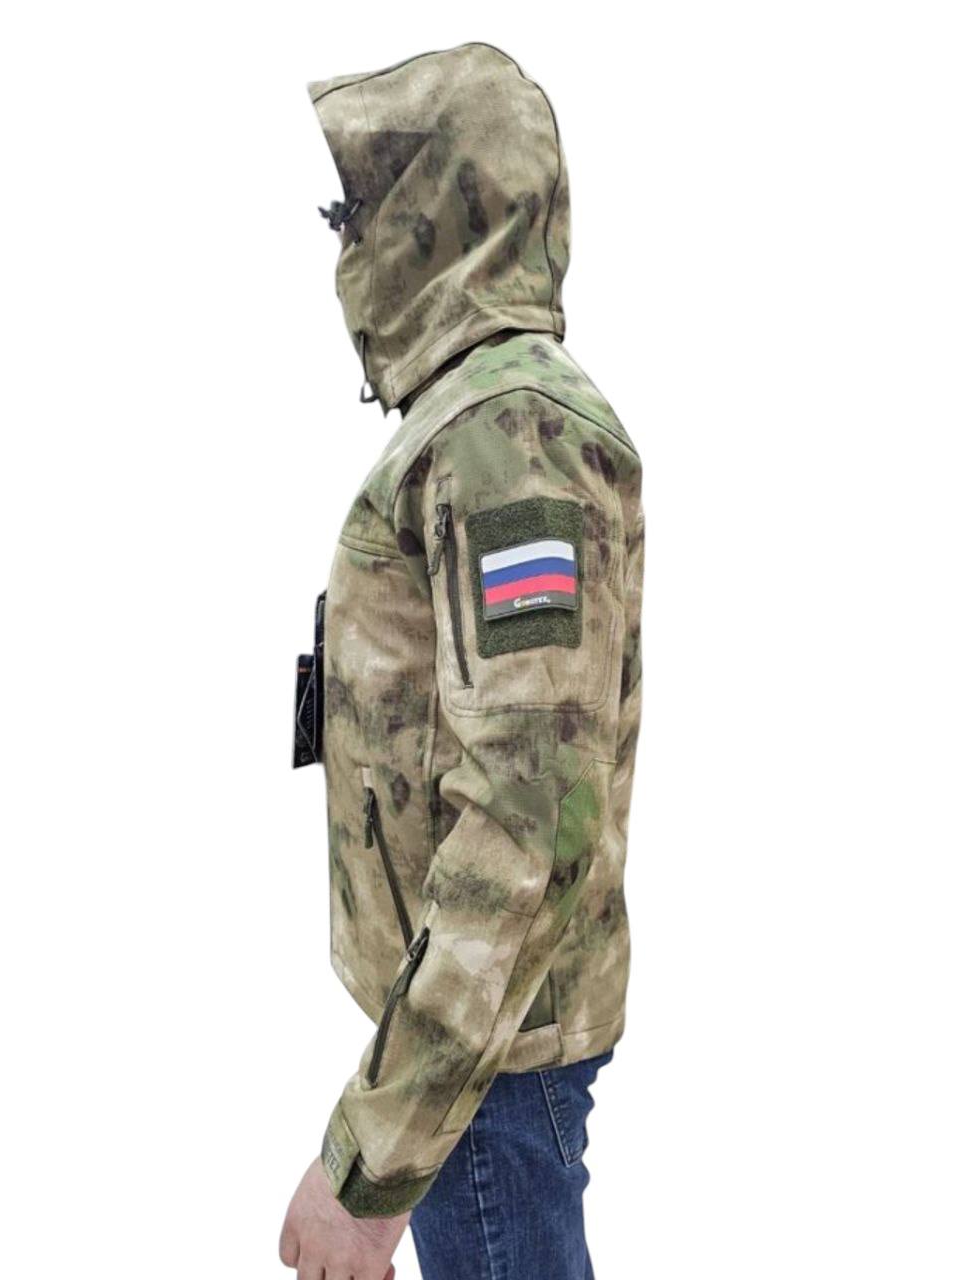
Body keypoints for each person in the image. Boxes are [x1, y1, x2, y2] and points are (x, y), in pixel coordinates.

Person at [280, 42, 643, 1280]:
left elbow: (523, 822)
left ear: (439, 211)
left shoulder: (507, 435)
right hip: (471, 1047)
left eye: (362, 215)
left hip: (482, 1070)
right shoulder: (474, 420)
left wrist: (369, 1169)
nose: (348, 247)